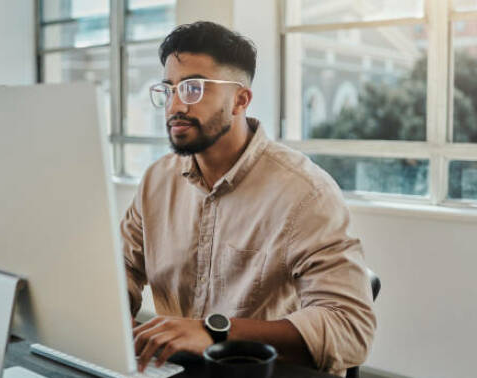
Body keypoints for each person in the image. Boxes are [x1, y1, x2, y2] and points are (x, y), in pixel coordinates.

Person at [121, 21, 376, 377]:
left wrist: (213, 331)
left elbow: (350, 328)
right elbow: (122, 268)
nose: (175, 105)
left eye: (193, 88)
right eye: (169, 89)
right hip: (173, 371)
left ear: (240, 99)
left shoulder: (306, 193)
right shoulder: (156, 181)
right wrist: (109, 317)